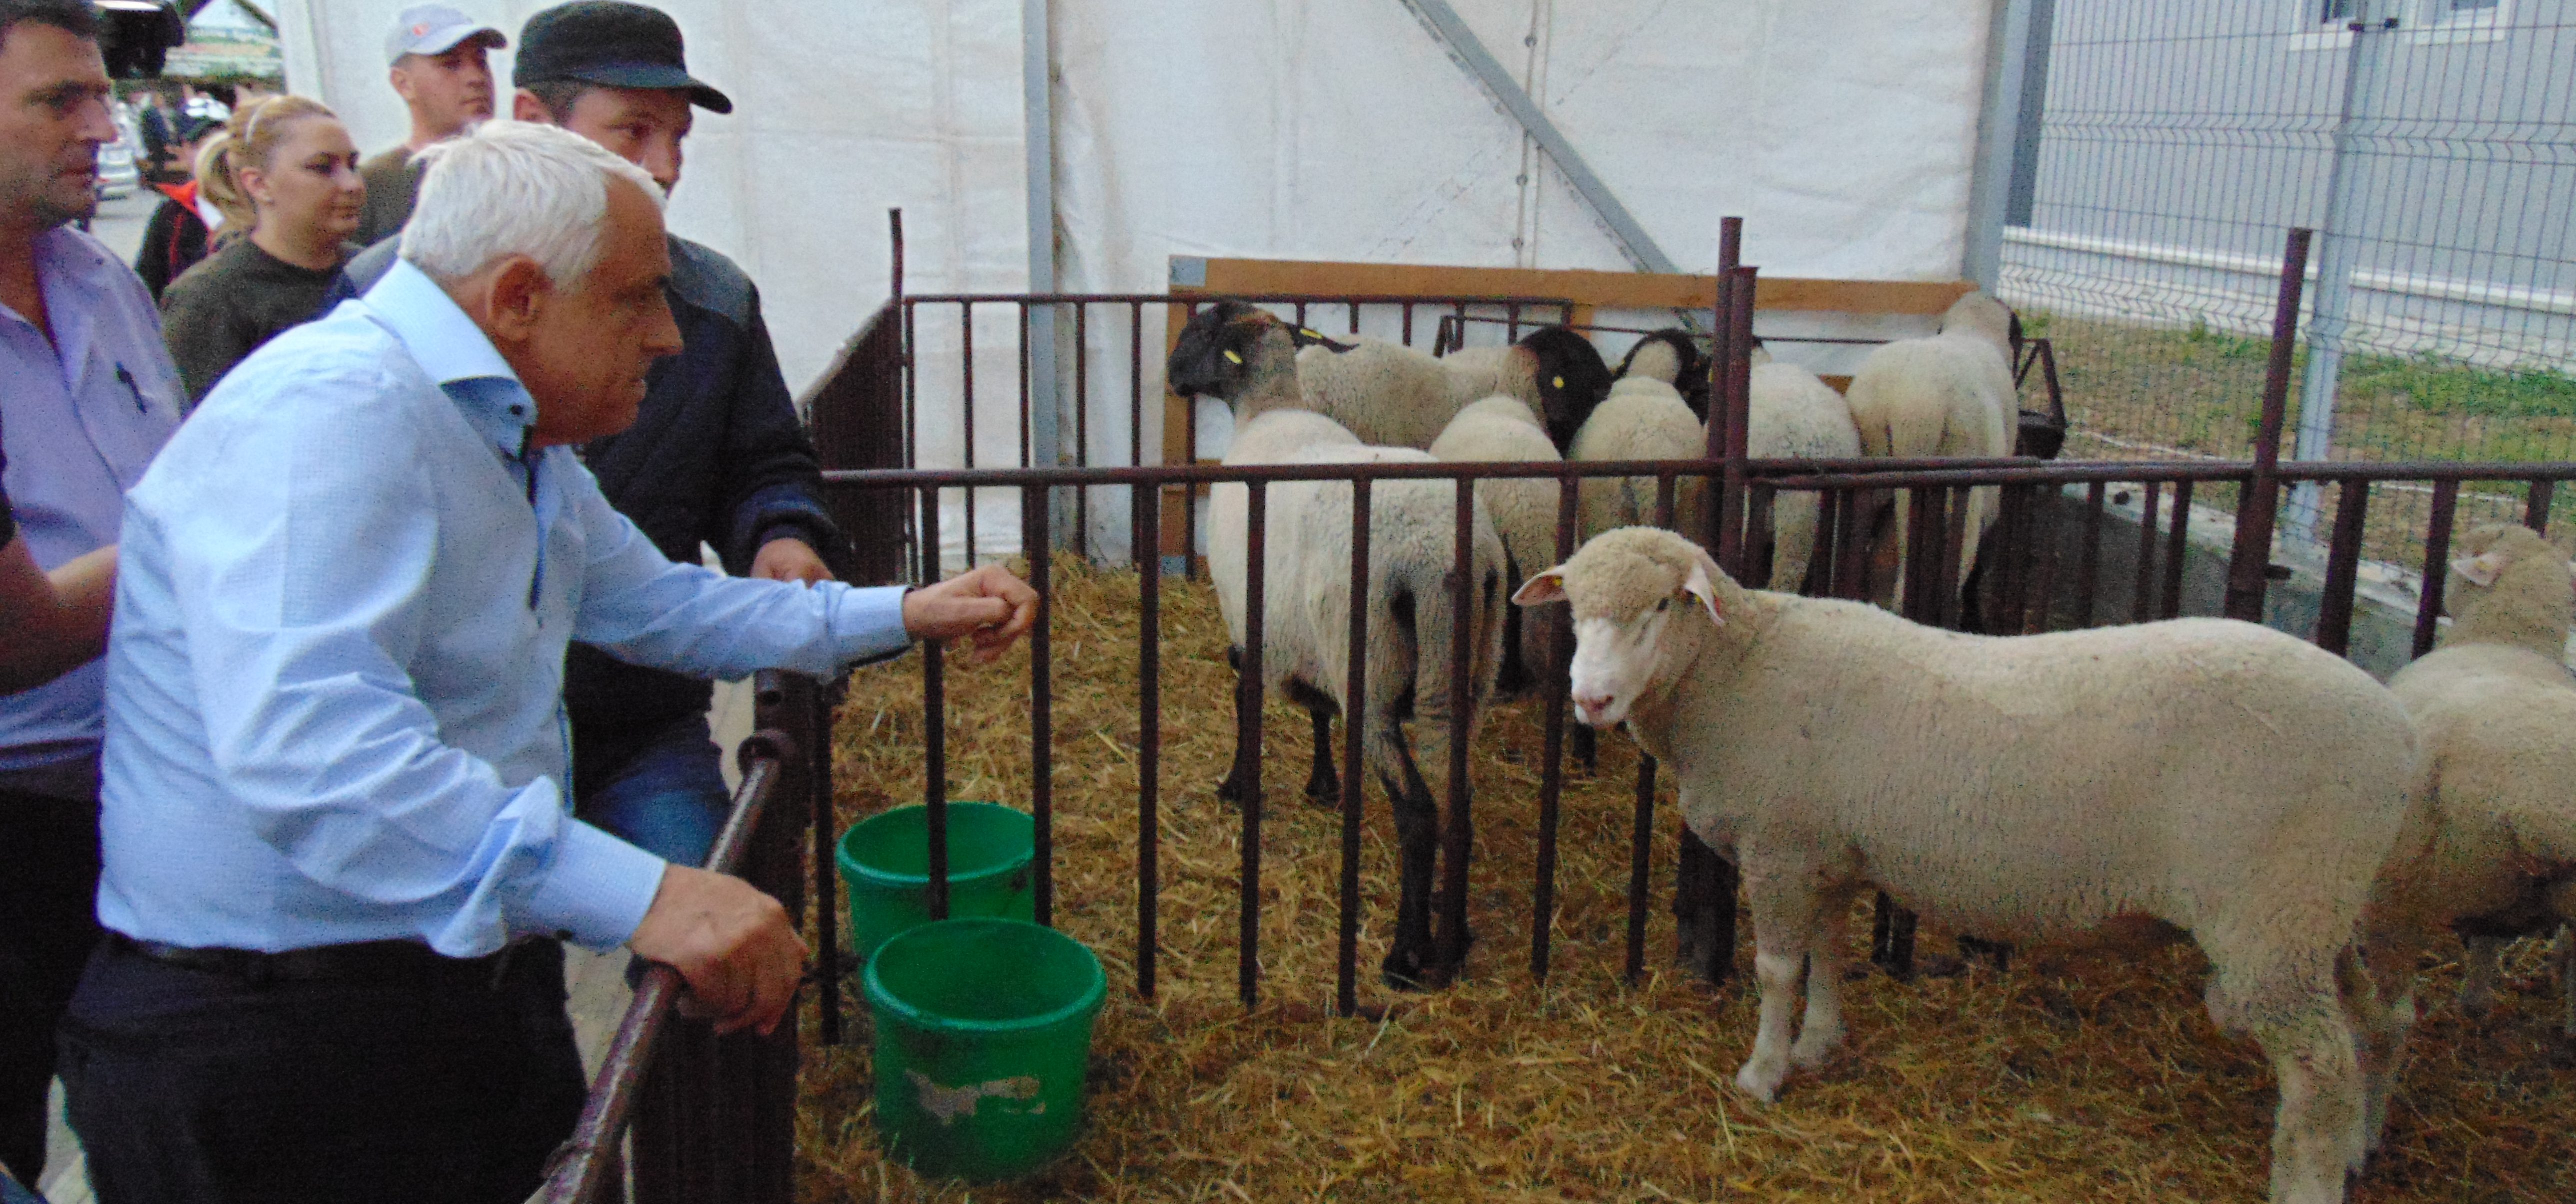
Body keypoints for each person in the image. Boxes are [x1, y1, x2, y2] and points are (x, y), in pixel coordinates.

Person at [61, 120, 1040, 1204]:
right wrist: (640, 892)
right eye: (636, 297)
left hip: (444, 979)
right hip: (279, 1038)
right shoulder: (332, 413)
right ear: (520, 296)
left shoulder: (508, 437)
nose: (668, 335)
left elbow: (664, 603)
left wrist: (903, 610)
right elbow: (314, 747)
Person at [350, 0, 852, 872]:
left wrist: (781, 533)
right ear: (537, 126)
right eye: (634, 131)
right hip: (455, 746)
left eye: (679, 138)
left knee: (714, 939)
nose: (665, 167)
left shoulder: (714, 299)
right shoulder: (388, 314)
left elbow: (760, 463)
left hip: (634, 716)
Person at [0, 0, 184, 1188]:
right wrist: (200, 533)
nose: (104, 125)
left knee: (144, 1105)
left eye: (101, 94)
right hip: (18, 812)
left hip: (153, 777)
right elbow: (13, 645)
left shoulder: (102, 278)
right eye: (58, 100)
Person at [158, 95, 364, 406]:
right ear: (259, 184)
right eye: (322, 168)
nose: (352, 185)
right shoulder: (210, 298)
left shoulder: (374, 270)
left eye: (352, 165)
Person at [351, 5, 502, 248]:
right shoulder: (371, 187)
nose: (477, 78)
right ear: (404, 84)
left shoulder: (519, 170)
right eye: (451, 64)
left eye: (481, 62)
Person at [130, 113, 220, 302]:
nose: (216, 157)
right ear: (182, 152)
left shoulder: (259, 206)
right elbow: (148, 286)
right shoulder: (173, 215)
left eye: (223, 145)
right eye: (202, 147)